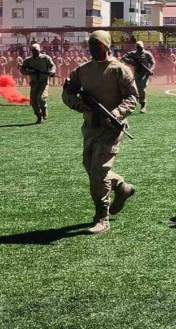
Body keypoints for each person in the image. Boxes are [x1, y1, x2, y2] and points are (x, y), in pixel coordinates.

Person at [60, 30, 138, 234]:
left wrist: (116, 113)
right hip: (90, 127)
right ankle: (122, 187)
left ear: (107, 46)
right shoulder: (82, 70)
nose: (94, 49)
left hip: (112, 128)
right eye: (91, 45)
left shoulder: (119, 70)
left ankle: (102, 217)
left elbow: (132, 98)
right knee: (90, 167)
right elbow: (68, 92)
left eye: (98, 45)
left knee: (99, 171)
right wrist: (79, 104)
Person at [20, 42, 56, 123]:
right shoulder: (28, 60)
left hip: (44, 82)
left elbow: (52, 66)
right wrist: (27, 72)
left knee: (41, 98)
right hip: (34, 82)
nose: (34, 52)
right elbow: (22, 69)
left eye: (36, 50)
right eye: (33, 51)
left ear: (39, 50)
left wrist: (52, 71)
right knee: (33, 101)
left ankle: (44, 110)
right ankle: (39, 116)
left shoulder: (45, 58)